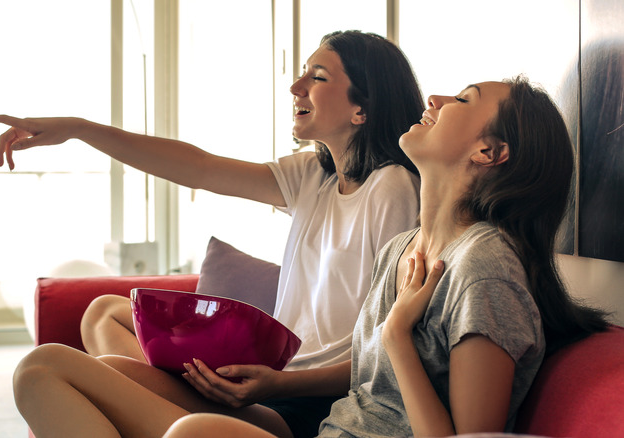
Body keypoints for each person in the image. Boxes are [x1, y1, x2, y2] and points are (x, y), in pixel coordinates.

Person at [0, 31, 425, 437]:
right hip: (267, 387)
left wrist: (275, 385)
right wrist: (79, 130)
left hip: (309, 407)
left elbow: (385, 352)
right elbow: (198, 167)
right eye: (303, 72)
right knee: (103, 316)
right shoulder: (314, 176)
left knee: (46, 370)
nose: (296, 86)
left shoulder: (392, 188)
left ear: (361, 108)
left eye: (318, 76)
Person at [160, 78, 610, 438]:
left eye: (461, 99)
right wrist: (276, 385)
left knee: (190, 432)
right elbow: (370, 383)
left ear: (488, 152)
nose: (434, 97)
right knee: (98, 376)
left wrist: (396, 334)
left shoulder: (485, 269)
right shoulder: (402, 248)